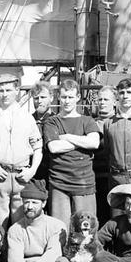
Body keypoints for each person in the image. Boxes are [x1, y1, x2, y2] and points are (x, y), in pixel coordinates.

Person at [0, 74, 42, 228]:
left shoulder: (28, 118)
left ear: (17, 91)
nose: (5, 95)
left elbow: (38, 148)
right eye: (1, 91)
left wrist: (32, 170)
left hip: (22, 177)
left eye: (8, 90)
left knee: (22, 224)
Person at [43, 79, 100, 230]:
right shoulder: (52, 122)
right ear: (58, 97)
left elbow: (94, 143)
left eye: (70, 97)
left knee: (85, 229)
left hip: (84, 182)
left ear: (78, 97)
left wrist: (67, 137)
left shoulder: (87, 120)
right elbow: (54, 147)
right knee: (60, 229)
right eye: (63, 97)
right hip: (58, 181)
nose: (67, 101)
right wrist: (83, 141)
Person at [93, 85, 117, 226]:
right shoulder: (91, 123)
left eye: (106, 99)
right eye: (100, 99)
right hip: (96, 176)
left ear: (114, 102)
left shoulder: (119, 122)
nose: (102, 102)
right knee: (100, 214)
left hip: (115, 176)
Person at [31, 81, 55, 181]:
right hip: (33, 174)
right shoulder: (28, 121)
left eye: (43, 97)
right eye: (36, 98)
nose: (39, 101)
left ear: (51, 98)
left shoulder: (57, 120)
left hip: (53, 173)